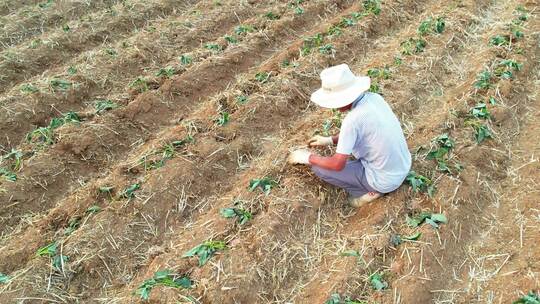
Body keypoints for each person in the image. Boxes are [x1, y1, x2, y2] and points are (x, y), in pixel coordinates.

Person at [288, 64, 411, 208]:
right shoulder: (375, 98)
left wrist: (306, 157)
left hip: (384, 181)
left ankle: (369, 191)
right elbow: (360, 131)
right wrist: (329, 140)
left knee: (318, 168)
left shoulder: (352, 121)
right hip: (403, 165)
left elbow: (336, 164)